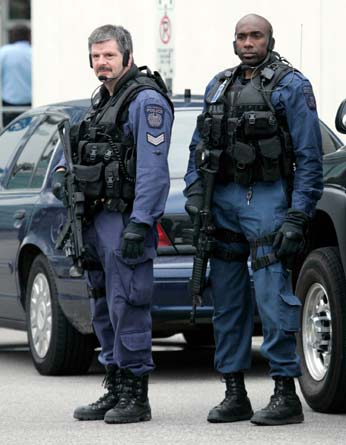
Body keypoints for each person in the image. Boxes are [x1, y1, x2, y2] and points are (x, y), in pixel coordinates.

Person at [184, 14, 323, 426]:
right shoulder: (219, 84)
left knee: (272, 296)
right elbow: (199, 146)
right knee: (226, 301)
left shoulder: (291, 86)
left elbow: (309, 157)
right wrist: (195, 192)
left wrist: (298, 215)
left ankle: (285, 392)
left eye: (255, 36)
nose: (248, 43)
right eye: (241, 36)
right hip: (221, 200)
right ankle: (234, 391)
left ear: (269, 39)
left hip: (266, 200)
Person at [51, 24, 173, 424]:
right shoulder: (101, 101)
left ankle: (136, 393)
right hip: (95, 221)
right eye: (96, 56)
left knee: (128, 304)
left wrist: (141, 223)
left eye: (108, 56)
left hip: (124, 220)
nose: (101, 63)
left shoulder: (145, 100)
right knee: (102, 304)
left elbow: (153, 172)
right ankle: (115, 385)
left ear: (127, 55)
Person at [0, 25, 32, 127]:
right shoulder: (34, 52)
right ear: (29, 36)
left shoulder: (4, 52)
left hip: (9, 105)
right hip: (32, 104)